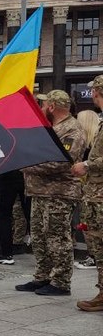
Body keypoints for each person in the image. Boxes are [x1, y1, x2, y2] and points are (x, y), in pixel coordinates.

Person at [17, 90, 86, 296]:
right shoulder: (51, 129)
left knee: (57, 237)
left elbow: (60, 163)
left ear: (52, 107)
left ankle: (61, 282)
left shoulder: (72, 130)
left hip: (60, 193)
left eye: (43, 104)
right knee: (39, 236)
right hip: (40, 192)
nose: (41, 108)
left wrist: (25, 165)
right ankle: (43, 276)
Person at [74, 76, 103, 310]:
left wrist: (87, 165)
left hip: (100, 195)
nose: (92, 95)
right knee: (97, 245)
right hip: (95, 193)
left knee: (100, 244)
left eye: (94, 91)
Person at [74, 109, 101, 270]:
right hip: (92, 187)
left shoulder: (85, 145)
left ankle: (93, 256)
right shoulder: (94, 142)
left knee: (87, 222)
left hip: (88, 188)